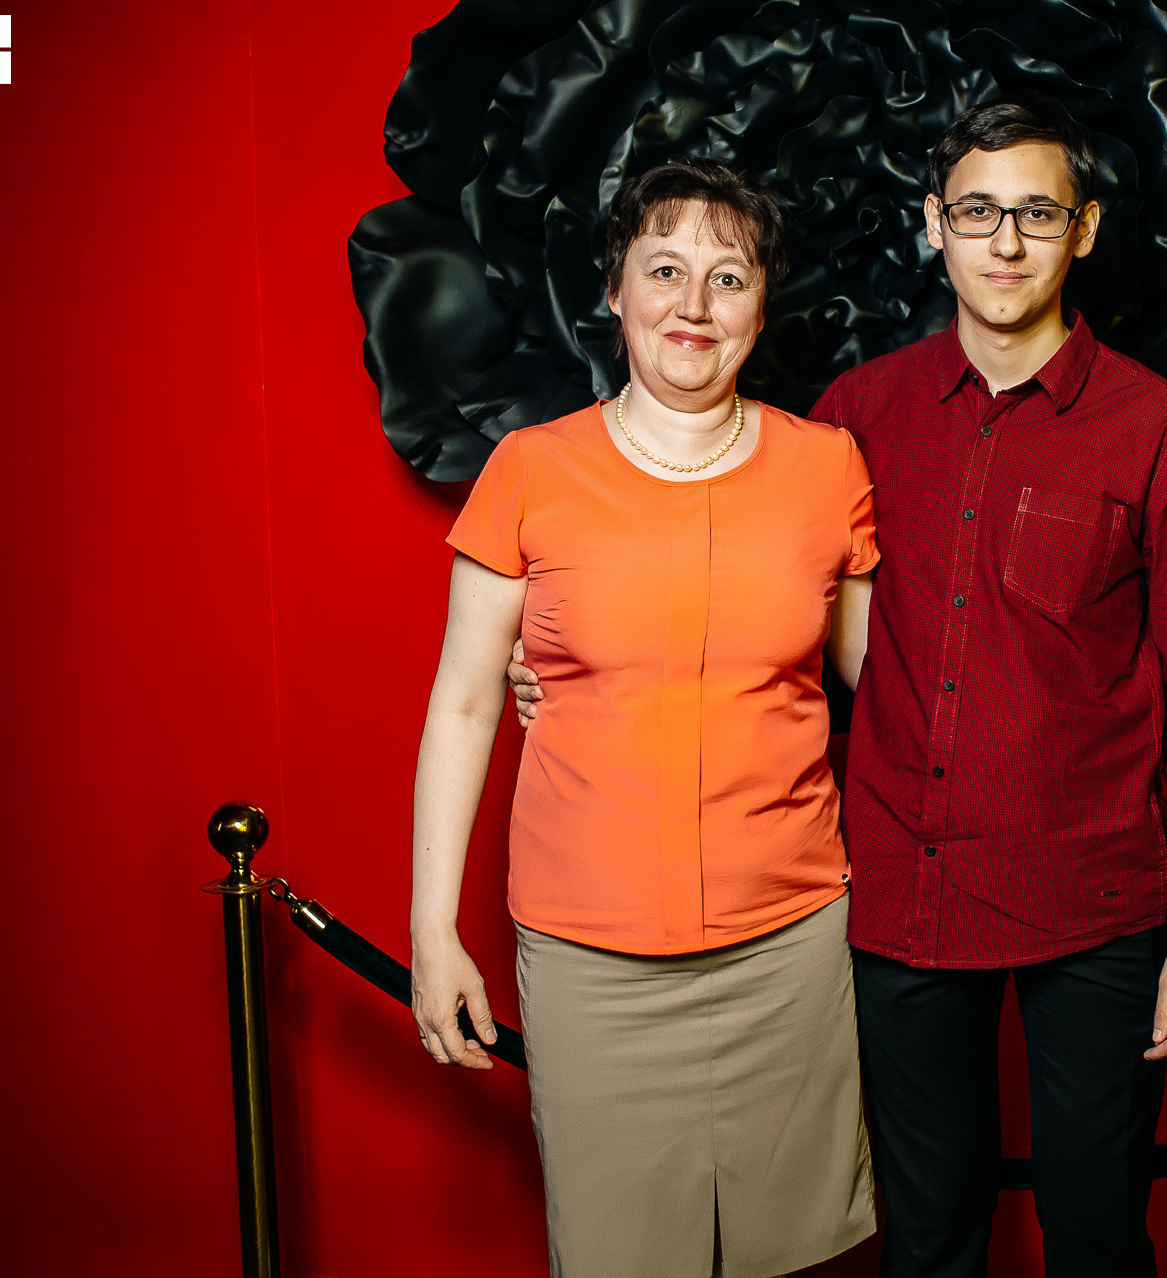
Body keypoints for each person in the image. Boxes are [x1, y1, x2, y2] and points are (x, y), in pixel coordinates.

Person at [514, 99, 1167, 1277]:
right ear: (933, 225)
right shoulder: (852, 423)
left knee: (1097, 1234)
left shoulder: (1157, 431)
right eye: (977, 212)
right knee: (926, 1244)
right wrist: (567, 666)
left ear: (1082, 231)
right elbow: (748, 600)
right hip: (908, 895)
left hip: (1101, 902)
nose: (1005, 242)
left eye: (1036, 213)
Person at [412, 157, 880, 1278]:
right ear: (615, 288)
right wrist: (433, 930)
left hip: (792, 946)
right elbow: (465, 703)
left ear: (761, 305)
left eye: (729, 277)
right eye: (664, 269)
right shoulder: (531, 469)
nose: (694, 304)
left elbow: (893, 685)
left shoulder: (827, 468)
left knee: (805, 1259)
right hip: (592, 959)